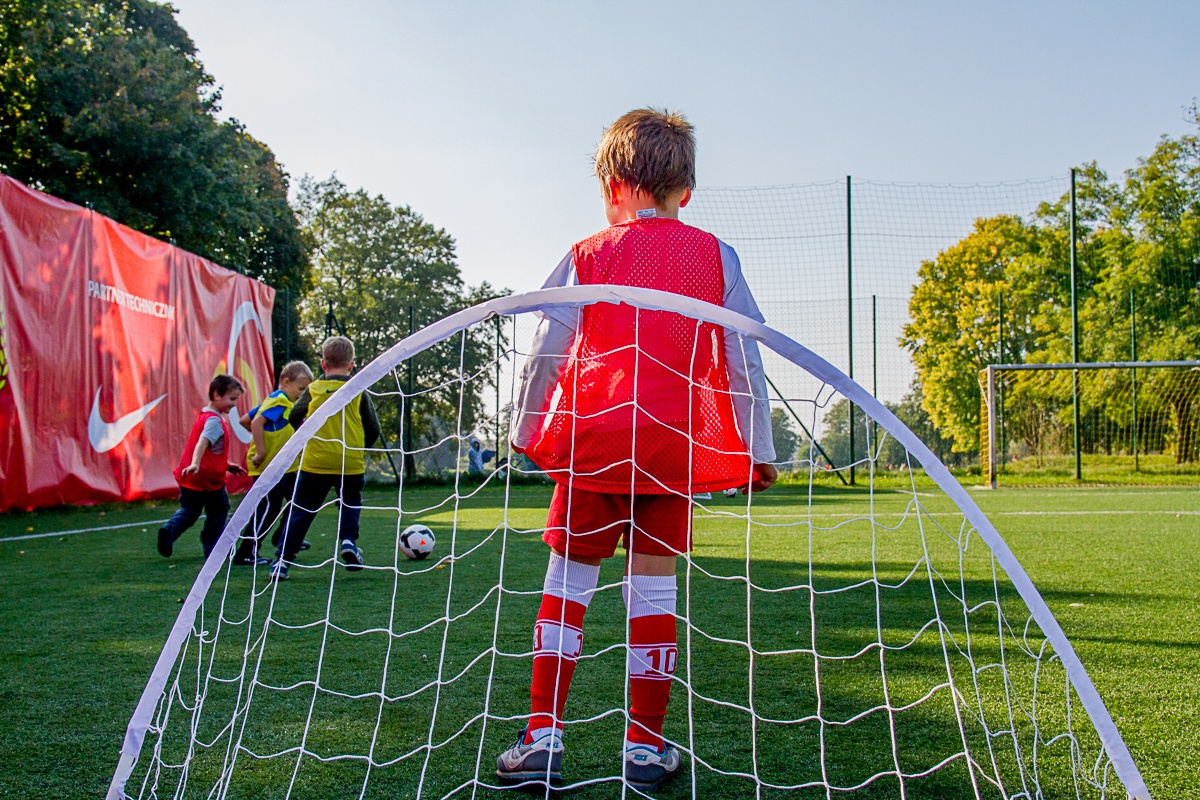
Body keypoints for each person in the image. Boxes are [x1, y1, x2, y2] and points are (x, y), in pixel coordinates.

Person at [495, 109, 777, 789]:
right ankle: (644, 749)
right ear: (686, 191)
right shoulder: (717, 256)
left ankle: (542, 739)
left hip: (595, 440)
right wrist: (758, 447)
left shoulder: (588, 252)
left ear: (611, 186)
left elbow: (547, 347)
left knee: (567, 584)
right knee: (653, 590)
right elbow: (744, 358)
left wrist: (526, 429)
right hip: (670, 448)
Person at [269, 336, 381, 581]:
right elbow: (373, 428)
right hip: (349, 461)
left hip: (316, 461)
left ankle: (282, 561)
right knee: (350, 502)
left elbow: (294, 415)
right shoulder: (358, 389)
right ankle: (348, 542)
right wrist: (359, 448)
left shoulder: (313, 389)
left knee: (302, 510)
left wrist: (306, 434)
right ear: (351, 365)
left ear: (322, 364)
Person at [231, 360, 314, 566]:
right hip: (269, 464)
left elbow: (245, 420)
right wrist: (261, 450)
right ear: (285, 382)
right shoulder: (279, 402)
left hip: (285, 465)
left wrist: (270, 436)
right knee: (270, 506)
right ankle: (246, 551)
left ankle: (284, 537)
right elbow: (256, 422)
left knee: (298, 500)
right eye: (300, 389)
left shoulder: (275, 400)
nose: (302, 394)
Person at [157, 375, 248, 559]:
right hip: (207, 478)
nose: (234, 404)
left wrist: (226, 465)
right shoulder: (214, 421)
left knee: (190, 511)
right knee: (219, 511)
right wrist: (195, 463)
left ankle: (169, 530)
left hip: (191, 477)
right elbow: (203, 443)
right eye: (232, 399)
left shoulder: (204, 415)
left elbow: (211, 451)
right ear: (216, 395)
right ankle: (213, 547)